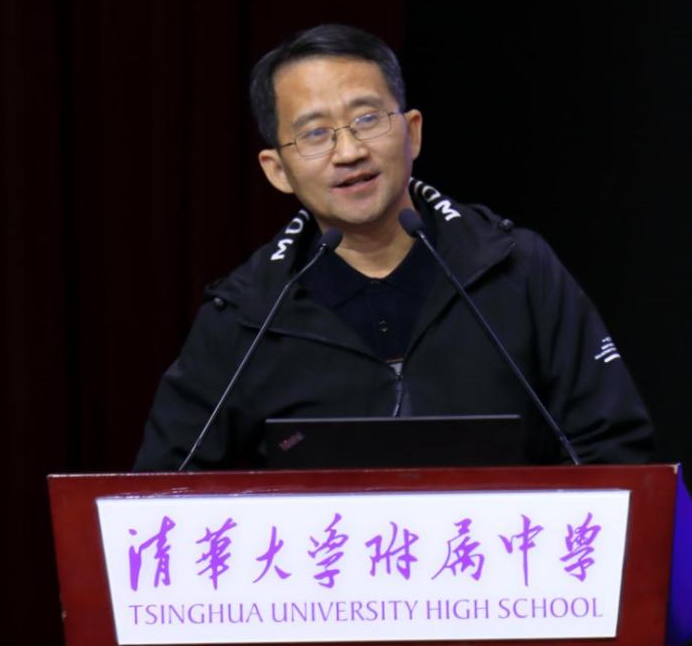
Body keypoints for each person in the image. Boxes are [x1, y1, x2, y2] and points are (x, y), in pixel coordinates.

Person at [133, 24, 653, 471]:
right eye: (314, 134)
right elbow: (164, 493)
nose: (349, 152)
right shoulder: (244, 314)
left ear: (412, 132)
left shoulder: (517, 268)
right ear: (277, 170)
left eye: (366, 119)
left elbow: (613, 450)